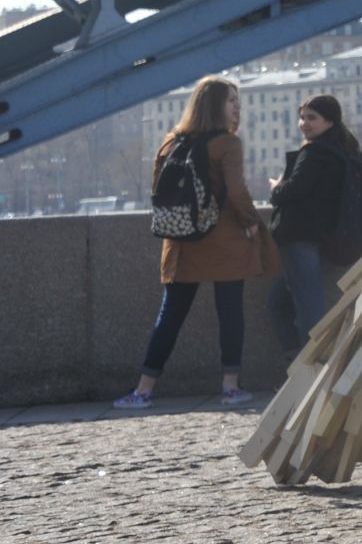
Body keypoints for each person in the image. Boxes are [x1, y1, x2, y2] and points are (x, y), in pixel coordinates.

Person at [115, 76, 278, 408]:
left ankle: (144, 389)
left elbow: (159, 192)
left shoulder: (172, 141)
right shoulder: (228, 144)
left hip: (183, 239)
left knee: (170, 315)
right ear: (215, 105)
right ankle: (231, 387)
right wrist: (251, 224)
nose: (238, 106)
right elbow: (236, 191)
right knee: (230, 312)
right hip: (225, 240)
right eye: (231, 100)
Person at [265, 95, 362, 362]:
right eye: (302, 117)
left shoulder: (314, 152)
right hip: (326, 237)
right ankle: (297, 361)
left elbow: (295, 189)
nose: (304, 124)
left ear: (329, 121)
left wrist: (276, 188)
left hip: (301, 236)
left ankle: (314, 370)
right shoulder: (345, 150)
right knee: (279, 301)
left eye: (312, 118)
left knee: (309, 307)